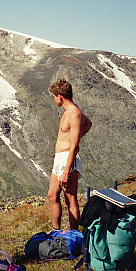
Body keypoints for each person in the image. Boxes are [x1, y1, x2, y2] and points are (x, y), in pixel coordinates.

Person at [47, 79, 92, 231]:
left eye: (54, 96)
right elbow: (88, 124)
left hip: (68, 159)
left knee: (70, 198)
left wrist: (66, 170)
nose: (54, 99)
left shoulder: (74, 114)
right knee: (52, 195)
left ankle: (74, 235)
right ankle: (55, 231)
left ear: (60, 96)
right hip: (59, 158)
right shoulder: (70, 112)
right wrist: (77, 135)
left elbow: (74, 146)